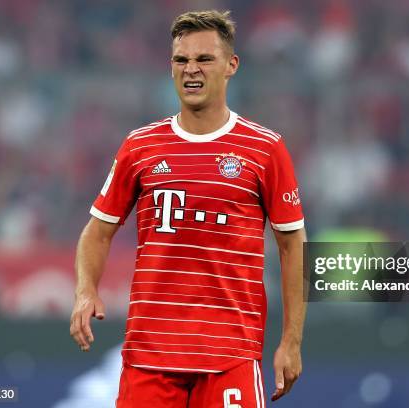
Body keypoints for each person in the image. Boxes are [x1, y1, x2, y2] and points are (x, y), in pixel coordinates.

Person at [69, 10, 306, 407]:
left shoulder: (265, 149)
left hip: (230, 356)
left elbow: (293, 245)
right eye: (181, 60)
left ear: (231, 66)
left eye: (204, 59)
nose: (190, 69)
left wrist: (291, 341)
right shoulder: (140, 146)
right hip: (150, 358)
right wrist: (84, 290)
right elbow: (98, 229)